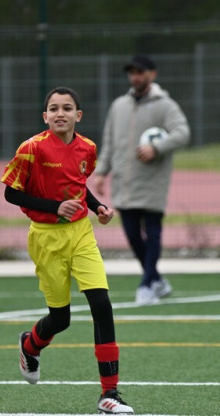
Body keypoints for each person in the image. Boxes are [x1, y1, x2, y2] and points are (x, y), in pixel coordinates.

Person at [1, 87, 134, 414]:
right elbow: (11, 194)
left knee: (101, 304)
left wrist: (97, 207)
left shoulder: (88, 147)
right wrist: (54, 207)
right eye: (54, 108)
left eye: (67, 108)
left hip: (80, 234)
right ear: (45, 116)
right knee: (61, 319)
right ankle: (30, 344)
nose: (60, 113)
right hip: (45, 237)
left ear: (79, 115)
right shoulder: (31, 148)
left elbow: (78, 186)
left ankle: (110, 394)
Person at [94, 54, 190, 306]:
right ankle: (157, 279)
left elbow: (182, 133)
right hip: (124, 184)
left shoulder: (165, 105)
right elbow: (109, 141)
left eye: (140, 72)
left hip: (152, 182)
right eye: (132, 72)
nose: (135, 77)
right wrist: (101, 172)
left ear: (152, 74)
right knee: (132, 235)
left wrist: (156, 147)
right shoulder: (119, 106)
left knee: (153, 234)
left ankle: (147, 285)